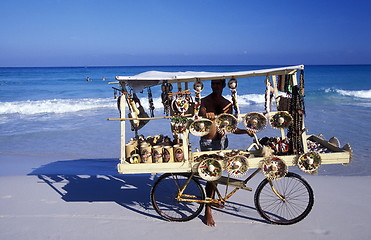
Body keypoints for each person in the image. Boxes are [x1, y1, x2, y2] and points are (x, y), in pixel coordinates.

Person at [199, 79, 253, 226]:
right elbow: (199, 121)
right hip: (208, 144)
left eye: (218, 84)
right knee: (211, 175)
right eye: (213, 84)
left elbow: (230, 128)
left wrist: (244, 131)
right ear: (211, 85)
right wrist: (206, 115)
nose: (216, 86)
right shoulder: (204, 101)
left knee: (216, 175)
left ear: (224, 85)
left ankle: (212, 200)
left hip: (222, 143)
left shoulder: (227, 103)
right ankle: (207, 210)